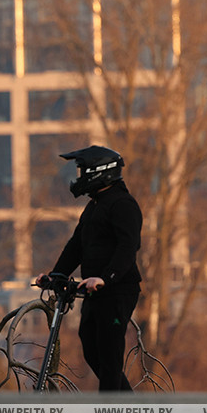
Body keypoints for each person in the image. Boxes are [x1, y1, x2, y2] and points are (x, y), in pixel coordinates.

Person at [35, 145, 142, 391]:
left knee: (110, 356)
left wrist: (106, 278)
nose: (80, 177)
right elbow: (76, 246)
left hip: (118, 291)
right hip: (95, 291)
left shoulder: (123, 204)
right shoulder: (94, 206)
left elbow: (129, 247)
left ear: (100, 172)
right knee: (92, 349)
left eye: (84, 172)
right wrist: (56, 275)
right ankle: (131, 409)